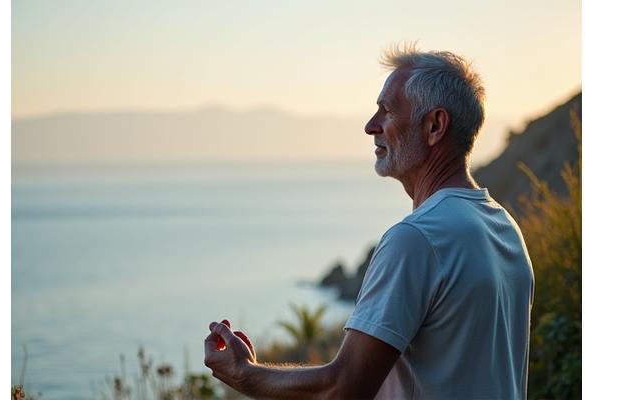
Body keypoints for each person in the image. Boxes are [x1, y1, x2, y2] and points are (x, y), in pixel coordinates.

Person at [204, 43, 534, 399]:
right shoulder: (505, 229)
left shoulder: (418, 239)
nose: (370, 126)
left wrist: (244, 375)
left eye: (387, 111)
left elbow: (344, 388)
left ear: (435, 125)